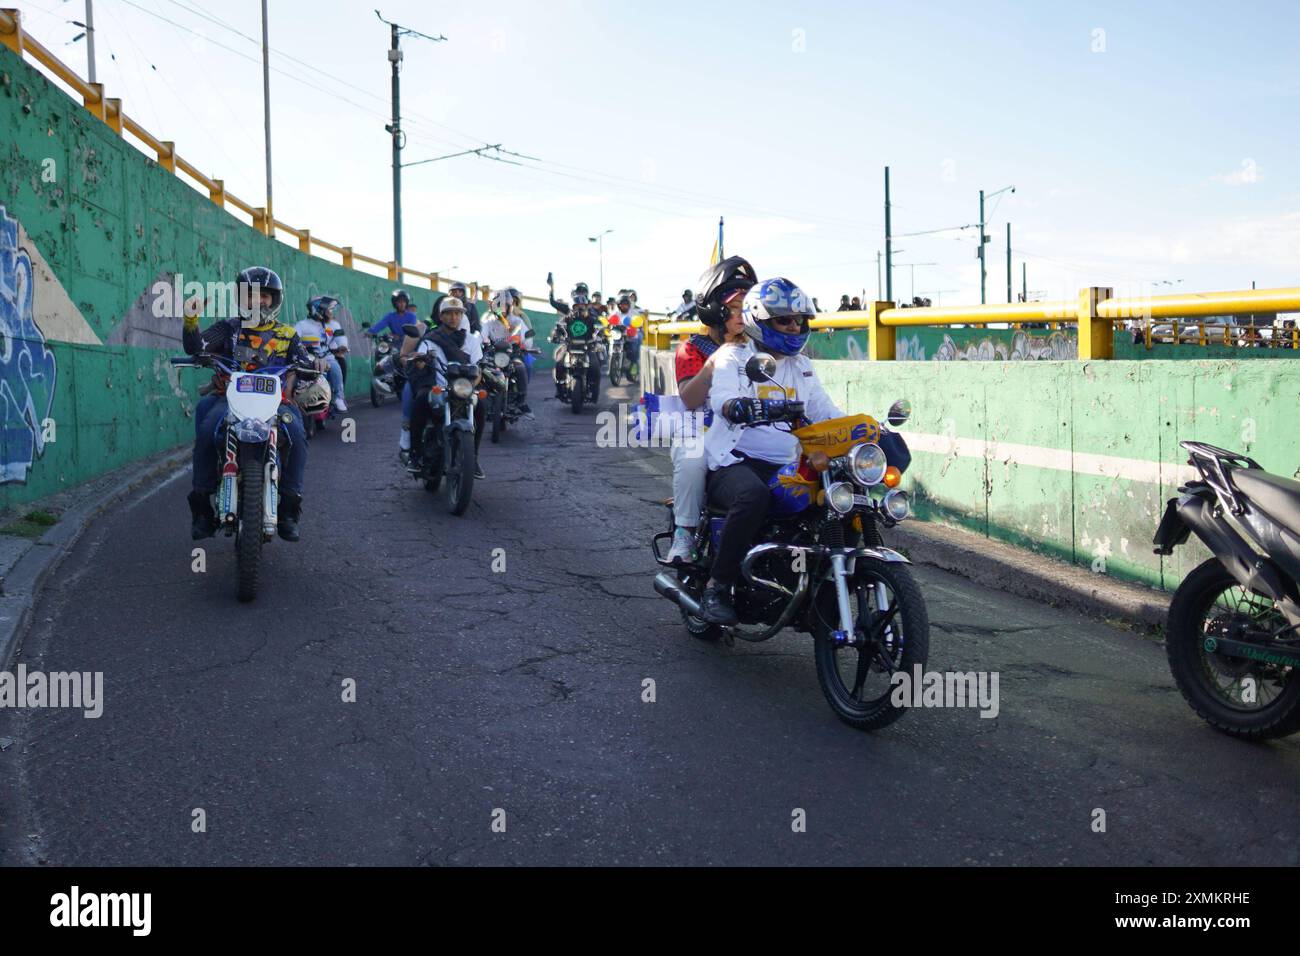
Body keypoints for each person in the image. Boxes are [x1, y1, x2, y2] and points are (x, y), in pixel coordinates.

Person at [698, 276, 846, 624]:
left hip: (785, 466)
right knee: (752, 496)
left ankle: (815, 594)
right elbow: (721, 396)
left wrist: (870, 428)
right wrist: (738, 406)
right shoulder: (734, 356)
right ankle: (716, 587)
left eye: (799, 320)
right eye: (785, 320)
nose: (795, 327)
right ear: (760, 321)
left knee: (831, 504)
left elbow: (826, 412)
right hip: (734, 461)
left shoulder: (802, 367)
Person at [183, 266, 311, 542]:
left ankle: (289, 507)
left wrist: (316, 365)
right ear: (242, 299)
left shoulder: (288, 335)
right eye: (252, 296)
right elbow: (197, 347)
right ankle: (202, 507)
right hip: (230, 400)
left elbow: (306, 362)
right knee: (206, 431)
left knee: (298, 435)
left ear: (274, 300)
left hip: (276, 404)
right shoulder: (228, 328)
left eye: (265, 296)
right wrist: (191, 320)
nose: (259, 301)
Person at [664, 256, 756, 564]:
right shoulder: (692, 349)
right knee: (691, 459)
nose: (744, 314)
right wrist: (715, 363)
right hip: (700, 428)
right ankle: (684, 533)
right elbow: (690, 399)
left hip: (747, 428)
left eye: (749, 306)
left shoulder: (758, 347)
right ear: (716, 309)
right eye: (736, 306)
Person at [407, 296, 487, 478]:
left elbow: (479, 368)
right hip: (439, 388)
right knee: (419, 400)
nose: (453, 317)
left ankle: (473, 458)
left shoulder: (471, 340)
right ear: (441, 317)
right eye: (449, 313)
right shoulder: (430, 340)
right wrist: (419, 361)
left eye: (458, 313)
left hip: (464, 389)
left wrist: (470, 387)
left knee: (482, 406)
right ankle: (415, 454)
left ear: (462, 316)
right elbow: (419, 362)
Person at [365, 288, 421, 458]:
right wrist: (371, 332)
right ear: (395, 303)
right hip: (393, 344)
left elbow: (413, 330)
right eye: (399, 302)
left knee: (409, 362)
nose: (401, 304)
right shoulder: (391, 316)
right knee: (381, 354)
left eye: (404, 301)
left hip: (407, 345)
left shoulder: (411, 316)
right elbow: (381, 324)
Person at [548, 276, 600, 398]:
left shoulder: (591, 317)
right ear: (572, 305)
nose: (580, 307)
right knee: (559, 363)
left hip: (587, 347)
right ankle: (559, 387)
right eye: (577, 305)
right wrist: (556, 334)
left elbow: (598, 327)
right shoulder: (568, 316)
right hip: (570, 346)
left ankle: (594, 389)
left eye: (582, 305)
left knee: (595, 366)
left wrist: (600, 336)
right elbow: (559, 327)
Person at [482, 288, 533, 414]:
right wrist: (482, 341)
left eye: (505, 306)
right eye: (499, 306)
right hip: (492, 356)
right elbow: (480, 335)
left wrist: (523, 344)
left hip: (511, 355)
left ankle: (521, 400)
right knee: (482, 371)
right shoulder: (488, 322)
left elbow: (527, 337)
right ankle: (481, 400)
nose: (502, 309)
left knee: (520, 368)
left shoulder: (517, 320)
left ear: (510, 306)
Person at [295, 295, 348, 413]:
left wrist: (342, 346)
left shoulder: (334, 325)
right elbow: (294, 340)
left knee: (336, 369)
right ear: (318, 310)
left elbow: (341, 339)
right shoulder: (302, 325)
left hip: (327, 358)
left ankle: (339, 397)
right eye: (329, 309)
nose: (331, 313)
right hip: (308, 359)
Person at [607, 293, 644, 379]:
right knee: (610, 344)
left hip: (630, 336)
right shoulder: (615, 313)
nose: (624, 306)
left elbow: (639, 322)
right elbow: (609, 321)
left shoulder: (634, 313)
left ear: (629, 304)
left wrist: (636, 326)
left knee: (634, 350)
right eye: (621, 304)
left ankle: (634, 365)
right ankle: (612, 365)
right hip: (618, 335)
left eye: (625, 304)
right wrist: (608, 325)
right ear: (618, 305)